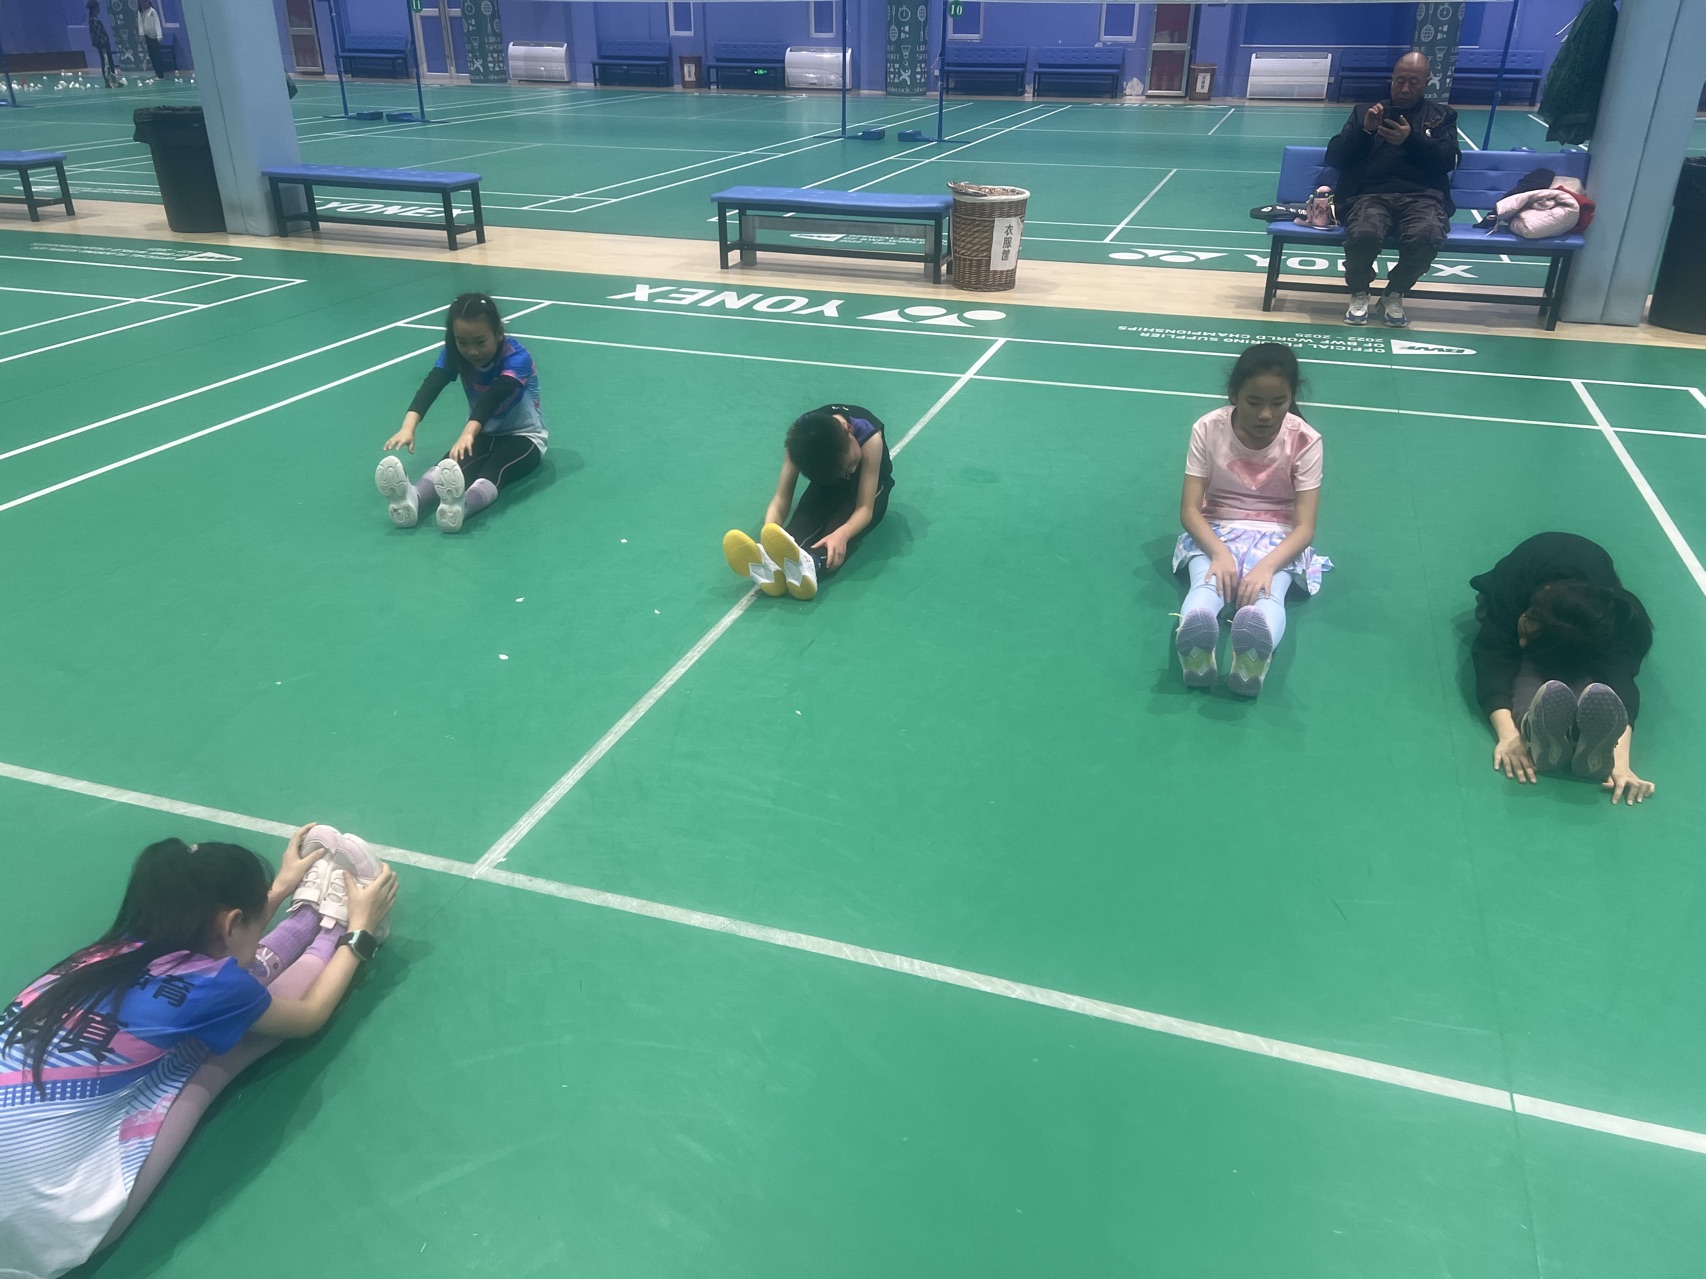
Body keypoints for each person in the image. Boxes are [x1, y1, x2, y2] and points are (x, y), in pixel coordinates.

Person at [0, 826, 396, 1277]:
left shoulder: (101, 955)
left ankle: (306, 920)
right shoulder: (209, 984)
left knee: (213, 1006)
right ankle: (328, 932)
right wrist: (360, 933)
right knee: (207, 1054)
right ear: (230, 923)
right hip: (43, 1226)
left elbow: (218, 954)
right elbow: (308, 1015)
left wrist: (279, 890)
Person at [1172, 343, 1330, 697]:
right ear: (1234, 395)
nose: (1265, 415)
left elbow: (1304, 527)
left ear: (1292, 398)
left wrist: (1266, 567)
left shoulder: (1305, 440)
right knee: (1208, 585)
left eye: (1279, 403)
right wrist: (1219, 553)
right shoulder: (1208, 428)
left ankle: (1251, 664)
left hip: (1280, 536)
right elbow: (1190, 510)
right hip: (1214, 528)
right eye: (1254, 402)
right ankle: (1196, 654)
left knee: (1267, 595)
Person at [1470, 532, 1655, 803]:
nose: (1521, 642)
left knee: (1582, 667)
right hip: (1508, 600)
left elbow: (1619, 672)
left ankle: (1580, 734)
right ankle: (1529, 725)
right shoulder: (1513, 590)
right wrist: (1509, 735)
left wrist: (1620, 760)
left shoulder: (1601, 614)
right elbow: (1493, 658)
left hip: (1570, 628)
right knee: (1525, 662)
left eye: (1527, 637)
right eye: (1525, 631)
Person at [377, 293, 547, 533]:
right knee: (449, 466)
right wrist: (408, 427)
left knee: (494, 470)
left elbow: (495, 395)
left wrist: (468, 433)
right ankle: (412, 499)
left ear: (498, 333)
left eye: (480, 342)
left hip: (524, 438)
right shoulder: (454, 355)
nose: (472, 351)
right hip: (482, 434)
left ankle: (462, 507)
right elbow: (432, 384)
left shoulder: (517, 357)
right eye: (462, 342)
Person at [1325, 51, 1460, 328]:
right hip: (1369, 196)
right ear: (1392, 80)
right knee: (1363, 234)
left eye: (1414, 82)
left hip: (1423, 198)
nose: (1405, 88)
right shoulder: (1365, 112)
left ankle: (1394, 293)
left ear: (1427, 83)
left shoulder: (1442, 116)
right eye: (1400, 81)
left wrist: (1411, 140)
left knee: (1427, 235)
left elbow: (1448, 160)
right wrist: (1364, 131)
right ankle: (1359, 291)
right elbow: (1335, 157)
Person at [722, 403, 892, 602]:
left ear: (850, 430)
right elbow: (781, 498)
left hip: (872, 487)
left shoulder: (870, 437)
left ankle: (813, 563)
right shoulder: (799, 444)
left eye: (850, 464)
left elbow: (864, 508)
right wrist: (770, 532)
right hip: (829, 482)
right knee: (803, 520)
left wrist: (843, 534)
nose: (851, 470)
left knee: (837, 531)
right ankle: (770, 562)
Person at [86, 0, 119, 88]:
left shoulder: (95, 20)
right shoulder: (93, 21)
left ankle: (114, 80)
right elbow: (98, 35)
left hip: (105, 44)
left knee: (109, 62)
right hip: (103, 45)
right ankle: (108, 81)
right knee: (106, 63)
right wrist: (102, 45)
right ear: (95, 9)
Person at [137, 0, 170, 82]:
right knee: (152, 56)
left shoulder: (152, 11)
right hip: (147, 36)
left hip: (154, 37)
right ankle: (157, 73)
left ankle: (160, 74)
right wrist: (141, 34)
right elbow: (140, 24)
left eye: (145, 2)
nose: (144, 4)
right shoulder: (140, 12)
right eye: (142, 3)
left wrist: (159, 36)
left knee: (157, 56)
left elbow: (157, 24)